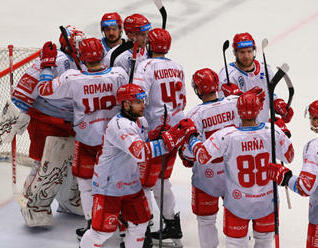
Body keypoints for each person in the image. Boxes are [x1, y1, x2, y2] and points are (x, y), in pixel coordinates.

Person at [79, 83, 196, 248]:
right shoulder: (119, 126)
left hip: (131, 184)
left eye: (144, 100)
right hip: (109, 187)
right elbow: (140, 153)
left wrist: (159, 137)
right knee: (102, 231)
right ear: (126, 104)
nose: (143, 105)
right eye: (138, 102)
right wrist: (169, 140)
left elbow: (144, 144)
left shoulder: (141, 121)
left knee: (140, 224)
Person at [36, 37, 129, 240]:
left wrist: (46, 66)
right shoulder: (119, 74)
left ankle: (92, 225)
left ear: (82, 57)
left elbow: (43, 90)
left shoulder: (72, 78)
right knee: (118, 183)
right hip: (115, 142)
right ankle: (122, 225)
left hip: (87, 142)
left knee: (86, 185)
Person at [0, 25, 86, 227]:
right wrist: (9, 124)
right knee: (47, 167)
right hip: (47, 123)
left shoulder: (81, 61)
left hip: (71, 125)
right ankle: (34, 206)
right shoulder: (50, 61)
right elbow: (23, 91)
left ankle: (69, 201)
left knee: (72, 168)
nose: (81, 46)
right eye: (78, 43)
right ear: (67, 43)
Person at [187, 92, 294, 248]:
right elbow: (289, 157)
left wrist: (192, 139)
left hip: (237, 204)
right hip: (267, 202)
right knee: (264, 241)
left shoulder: (226, 135)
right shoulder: (272, 131)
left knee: (235, 243)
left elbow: (202, 157)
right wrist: (284, 134)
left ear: (237, 111)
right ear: (259, 110)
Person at [133, 28, 185, 247]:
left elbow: (137, 97)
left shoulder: (145, 66)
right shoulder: (177, 66)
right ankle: (172, 224)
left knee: (143, 184)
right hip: (175, 131)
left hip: (155, 133)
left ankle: (143, 230)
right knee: (162, 180)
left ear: (151, 46)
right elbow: (182, 102)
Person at [180, 68, 240, 248]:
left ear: (198, 90)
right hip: (234, 175)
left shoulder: (193, 114)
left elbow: (189, 155)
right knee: (237, 221)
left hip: (207, 178)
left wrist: (184, 153)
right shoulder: (235, 103)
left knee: (206, 221)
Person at [267, 99, 318, 248]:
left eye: (314, 117)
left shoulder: (316, 148)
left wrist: (285, 177)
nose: (311, 120)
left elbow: (304, 187)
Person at [218, 32, 294, 124]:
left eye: (249, 51)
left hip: (262, 129)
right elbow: (223, 109)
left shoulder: (265, 69)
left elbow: (270, 94)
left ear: (254, 51)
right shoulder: (227, 75)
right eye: (242, 52)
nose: (246, 56)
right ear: (235, 53)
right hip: (239, 131)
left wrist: (278, 104)